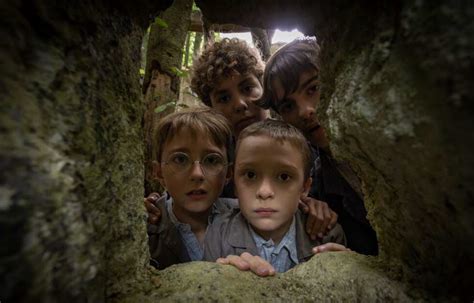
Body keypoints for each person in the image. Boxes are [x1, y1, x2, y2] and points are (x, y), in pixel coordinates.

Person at [146, 38, 338, 240]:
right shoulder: (217, 163)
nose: (239, 104)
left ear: (263, 88)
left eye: (247, 88)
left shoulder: (307, 142)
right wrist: (155, 206)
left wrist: (315, 206)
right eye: (224, 98)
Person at [259, 37, 378, 255]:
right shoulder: (317, 180)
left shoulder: (389, 145)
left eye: (313, 88)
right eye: (288, 105)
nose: (305, 111)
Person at [203, 120, 348, 275]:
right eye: (250, 175)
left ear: (304, 188)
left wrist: (346, 269)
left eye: (284, 176)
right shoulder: (218, 232)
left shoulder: (328, 235)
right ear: (235, 185)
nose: (264, 192)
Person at [147, 108, 236, 269]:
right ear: (158, 172)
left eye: (211, 160)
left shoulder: (248, 217)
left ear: (229, 172)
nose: (197, 174)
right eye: (180, 159)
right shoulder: (145, 230)